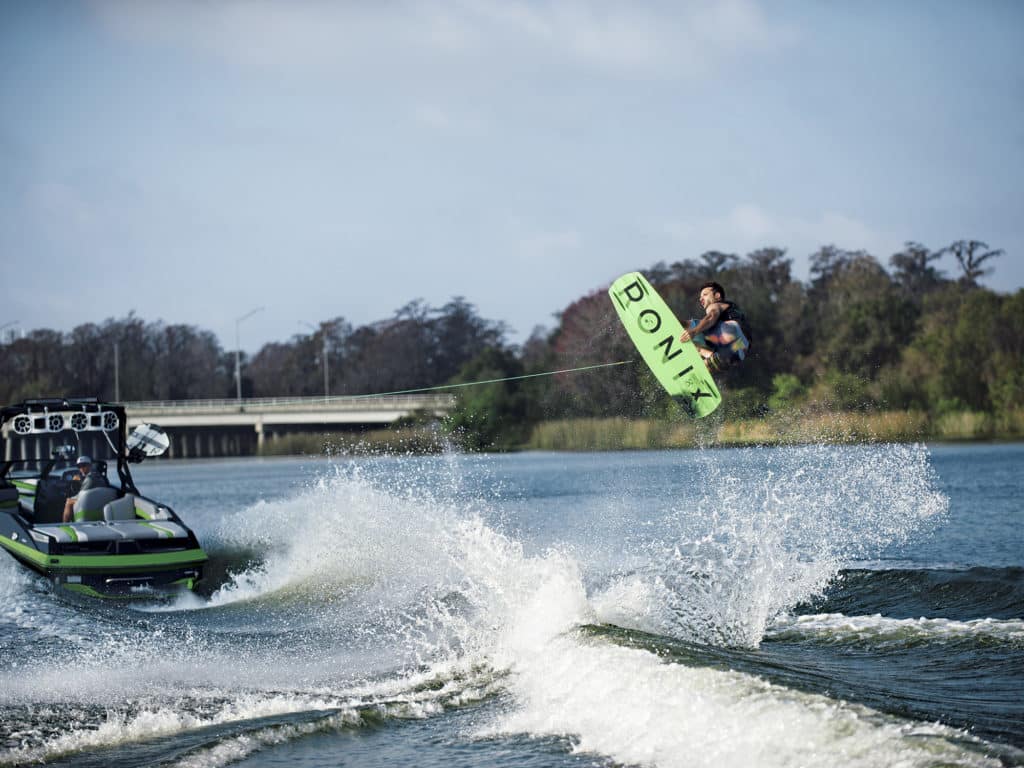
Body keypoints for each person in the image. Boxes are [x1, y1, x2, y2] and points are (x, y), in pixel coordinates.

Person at [678, 281, 752, 372]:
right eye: (700, 297)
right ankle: (703, 354)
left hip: (734, 334)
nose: (701, 299)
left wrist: (694, 331)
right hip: (738, 350)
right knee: (704, 366)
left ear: (717, 295)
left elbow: (711, 317)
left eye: (705, 295)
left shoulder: (715, 305)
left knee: (692, 325)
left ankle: (673, 322)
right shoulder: (731, 309)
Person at [62, 455, 109, 523]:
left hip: (90, 499)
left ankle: (65, 524)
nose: (81, 468)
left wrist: (76, 482)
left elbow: (81, 494)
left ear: (90, 465)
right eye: (79, 466)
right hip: (99, 497)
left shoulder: (90, 478)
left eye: (84, 465)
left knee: (68, 501)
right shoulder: (98, 475)